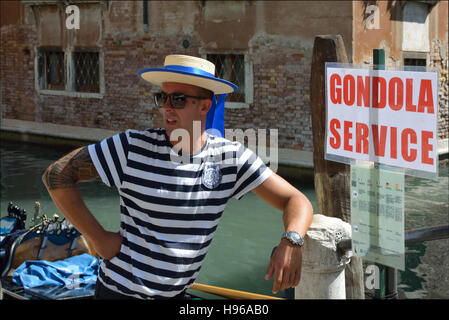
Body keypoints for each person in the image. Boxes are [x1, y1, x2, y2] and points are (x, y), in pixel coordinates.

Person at [42, 54, 313, 299]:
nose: (167, 107)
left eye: (178, 99)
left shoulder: (230, 159)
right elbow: (57, 175)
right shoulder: (130, 148)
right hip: (119, 293)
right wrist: (99, 238)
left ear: (205, 107)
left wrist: (291, 242)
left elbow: (295, 199)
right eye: (163, 98)